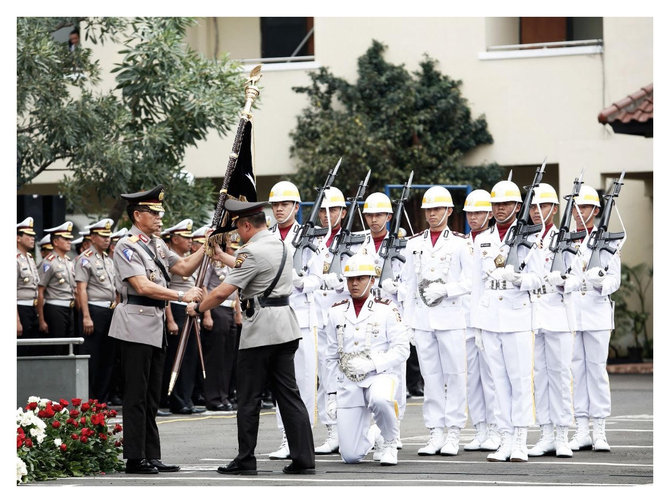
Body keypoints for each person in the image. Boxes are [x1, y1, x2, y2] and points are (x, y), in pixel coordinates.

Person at [186, 198, 315, 476]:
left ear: (246, 225)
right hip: (285, 327)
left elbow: (222, 291)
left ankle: (246, 459)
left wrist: (198, 307)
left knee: (248, 398)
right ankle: (304, 458)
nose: (237, 235)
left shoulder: (251, 251)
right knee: (289, 396)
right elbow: (258, 268)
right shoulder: (280, 245)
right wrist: (222, 257)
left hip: (260, 332)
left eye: (238, 229)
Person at [108, 185, 205, 475]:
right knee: (136, 394)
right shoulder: (127, 245)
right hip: (134, 324)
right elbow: (141, 286)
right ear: (138, 215)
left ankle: (152, 454)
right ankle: (134, 458)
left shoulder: (157, 244)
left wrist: (207, 246)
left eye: (160, 212)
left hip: (153, 325)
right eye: (154, 212)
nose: (160, 217)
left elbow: (185, 268)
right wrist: (180, 296)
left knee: (152, 395)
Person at [470, 179, 543, 462]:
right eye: (496, 204)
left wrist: (518, 278)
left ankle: (521, 439)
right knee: (497, 381)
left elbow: (537, 278)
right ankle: (505, 438)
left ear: (516, 206)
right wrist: (476, 324)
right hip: (490, 318)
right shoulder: (482, 239)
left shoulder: (530, 237)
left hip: (517, 316)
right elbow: (477, 286)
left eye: (506, 204)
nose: (500, 209)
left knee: (520, 379)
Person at [399, 186, 472, 456]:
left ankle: (453, 432)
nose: (432, 214)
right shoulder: (414, 243)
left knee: (454, 376)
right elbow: (408, 285)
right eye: (429, 209)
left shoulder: (461, 243)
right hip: (423, 320)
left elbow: (470, 281)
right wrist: (407, 323)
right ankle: (435, 432)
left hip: (451, 317)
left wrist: (447, 289)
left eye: (438, 209)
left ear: (449, 211)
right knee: (430, 378)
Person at [324, 253, 409, 465]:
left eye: (360, 278)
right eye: (350, 279)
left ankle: (390, 441)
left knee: (380, 398)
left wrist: (373, 364)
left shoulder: (387, 308)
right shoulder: (336, 311)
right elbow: (331, 356)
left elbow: (402, 349)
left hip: (379, 375)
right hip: (349, 381)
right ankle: (375, 435)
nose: (354, 283)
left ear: (372, 280)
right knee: (350, 456)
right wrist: (331, 393)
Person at [566, 184, 621, 452]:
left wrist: (599, 282)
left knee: (596, 372)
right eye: (576, 208)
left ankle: (599, 429)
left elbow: (615, 281)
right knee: (576, 371)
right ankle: (581, 429)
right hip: (572, 314)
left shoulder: (607, 242)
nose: (579, 213)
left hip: (597, 313)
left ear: (596, 210)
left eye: (585, 207)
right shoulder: (567, 239)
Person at [267, 181, 319, 459]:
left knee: (304, 380)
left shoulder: (310, 237)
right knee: (281, 380)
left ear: (297, 207)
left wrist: (300, 282)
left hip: (301, 315)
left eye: (284, 204)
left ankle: (302, 438)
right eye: (275, 204)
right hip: (274, 316)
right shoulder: (266, 236)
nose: (278, 209)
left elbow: (318, 278)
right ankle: (286, 437)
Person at [526, 183, 576, 458]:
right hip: (532, 314)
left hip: (557, 313)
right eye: (533, 207)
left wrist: (563, 281)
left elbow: (578, 277)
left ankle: (562, 434)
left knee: (560, 375)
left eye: (542, 206)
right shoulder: (525, 238)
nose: (537, 212)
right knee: (539, 377)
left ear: (554, 209)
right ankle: (545, 432)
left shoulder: (566, 238)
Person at [461, 190, 501, 452]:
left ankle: (497, 429)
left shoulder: (496, 240)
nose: (473, 217)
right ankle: (480, 428)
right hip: (463, 317)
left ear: (489, 214)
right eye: (470, 213)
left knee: (492, 376)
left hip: (489, 317)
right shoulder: (461, 242)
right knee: (471, 377)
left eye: (478, 212)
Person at [312, 186, 349, 455]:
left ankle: (354, 429)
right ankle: (332, 430)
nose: (327, 215)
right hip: (318, 316)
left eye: (333, 209)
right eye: (324, 210)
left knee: (351, 376)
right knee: (326, 378)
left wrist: (342, 284)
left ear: (344, 212)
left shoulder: (355, 241)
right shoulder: (312, 240)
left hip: (345, 316)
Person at [160, 219, 205, 415]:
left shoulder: (188, 259)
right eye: (185, 237)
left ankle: (186, 399)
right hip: (176, 309)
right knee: (175, 358)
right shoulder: (169, 260)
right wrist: (170, 319)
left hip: (191, 310)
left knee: (189, 358)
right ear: (175, 238)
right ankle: (176, 400)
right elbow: (166, 291)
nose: (189, 241)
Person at [75, 218, 119, 404]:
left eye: (108, 236)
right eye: (102, 236)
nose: (106, 239)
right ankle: (91, 398)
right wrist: (86, 316)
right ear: (92, 237)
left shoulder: (108, 260)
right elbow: (81, 289)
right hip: (94, 311)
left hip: (110, 311)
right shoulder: (84, 259)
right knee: (93, 356)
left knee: (108, 357)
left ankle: (103, 398)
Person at [200, 231, 241, 412]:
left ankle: (224, 396)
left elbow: (237, 288)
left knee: (227, 357)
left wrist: (238, 312)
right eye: (227, 240)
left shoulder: (231, 260)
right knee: (215, 357)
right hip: (216, 309)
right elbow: (203, 286)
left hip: (230, 309)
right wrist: (207, 314)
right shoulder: (210, 260)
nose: (230, 242)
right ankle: (214, 397)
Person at [37, 222, 77, 355]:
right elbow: (40, 290)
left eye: (69, 238)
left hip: (69, 308)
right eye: (65, 239)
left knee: (68, 347)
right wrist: (41, 319)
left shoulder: (68, 262)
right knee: (57, 347)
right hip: (55, 308)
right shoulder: (49, 262)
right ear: (55, 241)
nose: (69, 241)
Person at [17, 217, 40, 357]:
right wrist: (16, 320)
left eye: (33, 236)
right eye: (29, 236)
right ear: (18, 238)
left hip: (32, 309)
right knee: (21, 351)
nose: (32, 238)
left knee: (32, 350)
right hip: (21, 309)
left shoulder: (29, 259)